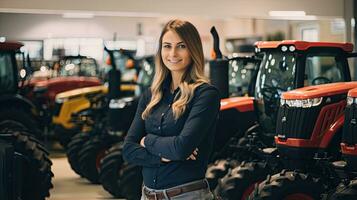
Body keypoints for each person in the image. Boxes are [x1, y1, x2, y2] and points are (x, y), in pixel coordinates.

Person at [122, 19, 220, 200]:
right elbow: (128, 150)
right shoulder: (150, 95)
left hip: (187, 195)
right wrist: (161, 156)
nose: (173, 53)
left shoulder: (205, 95)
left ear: (193, 49)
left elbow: (181, 148)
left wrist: (146, 140)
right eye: (167, 46)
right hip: (147, 195)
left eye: (181, 46)